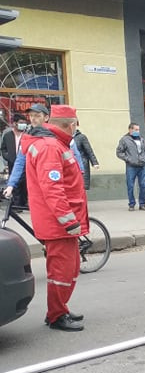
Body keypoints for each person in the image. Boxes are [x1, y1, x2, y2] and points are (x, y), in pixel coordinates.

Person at [20, 105, 89, 331]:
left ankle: (59, 309)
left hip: (57, 222)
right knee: (62, 270)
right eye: (75, 124)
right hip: (57, 224)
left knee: (69, 267)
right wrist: (68, 221)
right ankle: (56, 315)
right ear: (70, 125)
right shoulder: (51, 147)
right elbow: (53, 189)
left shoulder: (53, 144)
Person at [3, 104, 50, 207]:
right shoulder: (27, 137)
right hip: (34, 185)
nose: (33, 119)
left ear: (46, 118)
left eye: (37, 115)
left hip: (52, 185)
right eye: (31, 115)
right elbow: (20, 162)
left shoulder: (54, 135)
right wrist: (11, 184)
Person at [116, 122, 145, 211]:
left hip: (142, 165)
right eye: (136, 129)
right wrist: (128, 159)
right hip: (131, 166)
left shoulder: (141, 139)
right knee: (130, 185)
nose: (137, 131)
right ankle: (131, 204)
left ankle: (142, 204)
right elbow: (119, 152)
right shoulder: (124, 139)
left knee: (143, 185)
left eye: (138, 130)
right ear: (130, 129)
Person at [72, 125, 99, 190]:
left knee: (82, 185)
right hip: (72, 164)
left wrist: (94, 162)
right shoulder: (66, 137)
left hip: (82, 163)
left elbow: (89, 150)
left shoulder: (81, 137)